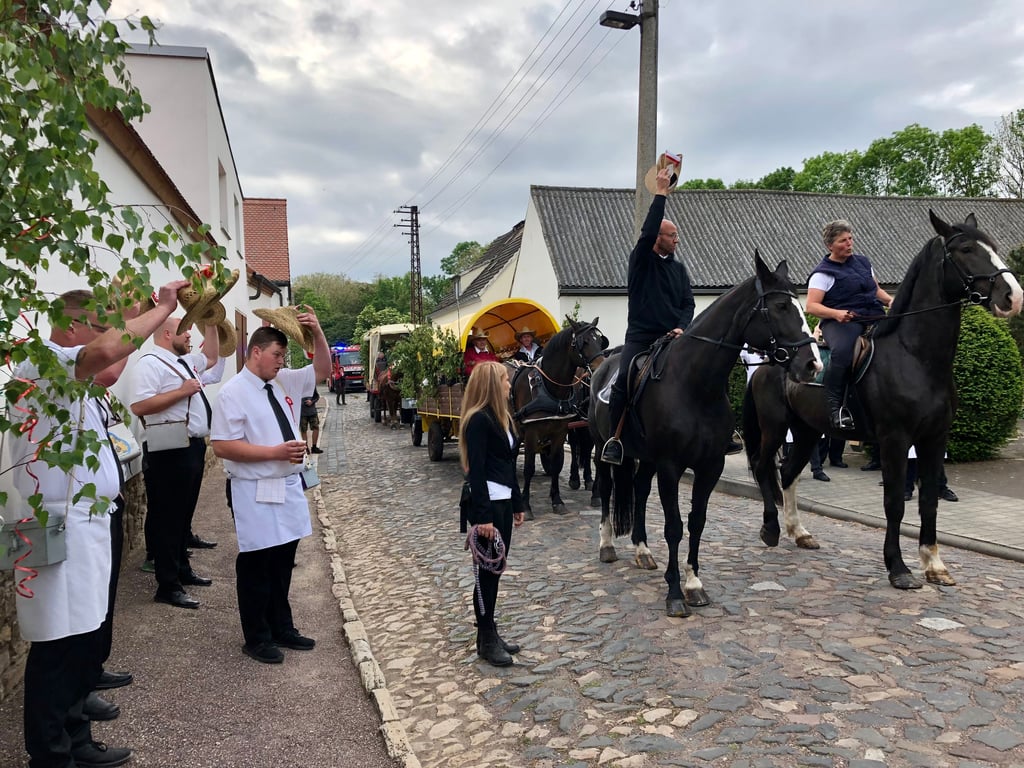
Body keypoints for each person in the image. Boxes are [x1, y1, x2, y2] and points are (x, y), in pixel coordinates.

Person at [10, 281, 186, 768]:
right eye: (96, 325)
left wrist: (135, 310)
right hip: (55, 526)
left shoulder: (79, 377)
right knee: (56, 645)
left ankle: (76, 738)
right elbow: (108, 349)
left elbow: (109, 364)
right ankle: (51, 755)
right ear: (70, 326)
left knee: (83, 635)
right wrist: (165, 310)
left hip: (85, 525)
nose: (106, 336)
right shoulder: (42, 362)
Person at [210, 309, 331, 664]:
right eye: (276, 355)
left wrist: (319, 332)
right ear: (255, 352)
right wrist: (274, 452)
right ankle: (257, 636)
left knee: (283, 562)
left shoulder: (283, 382)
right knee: (257, 564)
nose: (281, 362)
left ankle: (282, 626)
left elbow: (322, 370)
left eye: (283, 356)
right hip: (253, 489)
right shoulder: (233, 393)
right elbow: (222, 446)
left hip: (287, 485)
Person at [602, 166, 695, 465]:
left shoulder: (680, 269)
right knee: (622, 384)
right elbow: (647, 230)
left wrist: (682, 327)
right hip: (641, 339)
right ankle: (615, 439)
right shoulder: (641, 260)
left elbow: (688, 304)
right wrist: (660, 193)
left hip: (674, 340)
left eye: (677, 235)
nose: (677, 240)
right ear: (658, 237)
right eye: (672, 235)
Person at [130, 318, 220, 610]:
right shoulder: (150, 363)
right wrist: (182, 391)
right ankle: (167, 585)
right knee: (168, 518)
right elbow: (140, 406)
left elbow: (212, 357)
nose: (189, 335)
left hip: (190, 445)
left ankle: (182, 570)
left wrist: (212, 319)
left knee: (182, 516)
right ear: (168, 334)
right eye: (185, 330)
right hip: (168, 449)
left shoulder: (181, 361)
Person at [458, 361, 526, 667]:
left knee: (494, 573)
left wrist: (517, 503)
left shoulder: (502, 419)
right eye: (505, 380)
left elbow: (509, 466)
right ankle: (485, 639)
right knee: (486, 575)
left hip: (503, 501)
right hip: (486, 506)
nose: (509, 384)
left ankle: (491, 632)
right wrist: (483, 517)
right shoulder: (478, 421)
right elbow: (478, 471)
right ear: (492, 384)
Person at [805, 219, 893, 430]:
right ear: (830, 246)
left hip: (873, 315)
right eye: (843, 241)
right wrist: (836, 314)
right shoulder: (823, 274)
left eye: (850, 239)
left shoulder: (863, 262)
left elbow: (876, 290)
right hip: (842, 321)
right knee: (842, 353)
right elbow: (811, 306)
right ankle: (835, 408)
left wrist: (890, 301)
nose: (849, 244)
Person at [300, 386, 323, 453]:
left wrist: (312, 401)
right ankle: (306, 448)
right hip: (301, 412)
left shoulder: (311, 384)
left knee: (316, 428)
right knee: (303, 430)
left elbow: (317, 396)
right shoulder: (297, 383)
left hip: (312, 411)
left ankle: (314, 447)